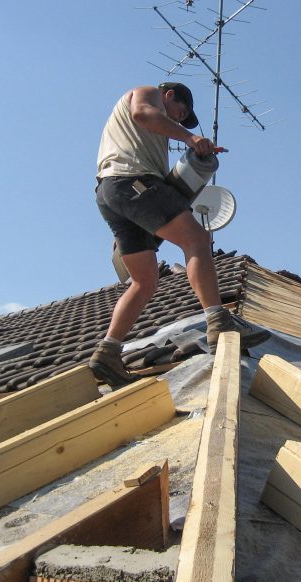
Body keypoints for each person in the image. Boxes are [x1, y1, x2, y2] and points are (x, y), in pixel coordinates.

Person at [89, 82, 269, 386]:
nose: (179, 118)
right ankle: (219, 322)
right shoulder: (148, 93)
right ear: (169, 95)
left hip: (112, 193)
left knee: (144, 281)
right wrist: (190, 136)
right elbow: (143, 113)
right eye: (180, 111)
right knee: (198, 239)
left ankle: (108, 351)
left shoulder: (140, 142)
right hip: (133, 180)